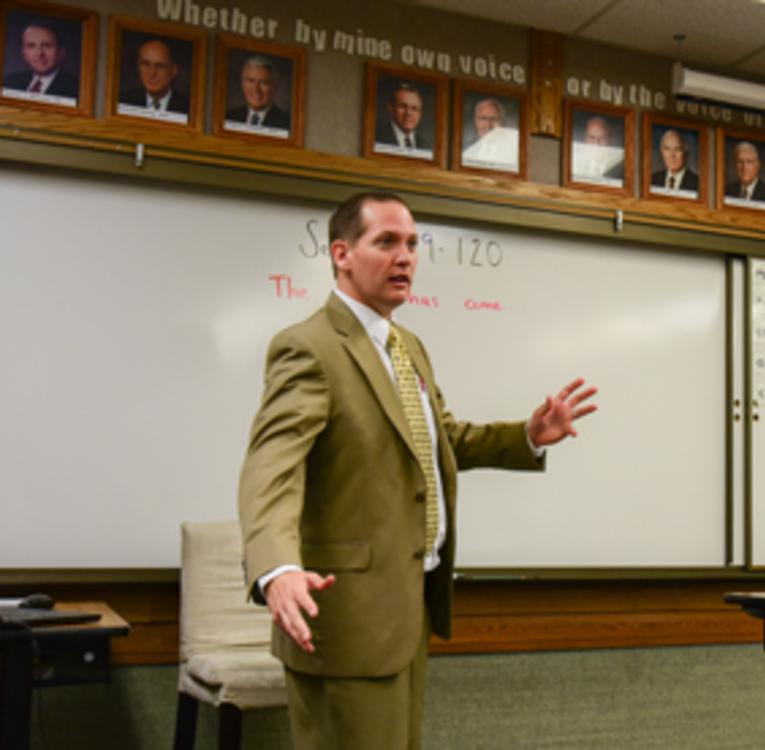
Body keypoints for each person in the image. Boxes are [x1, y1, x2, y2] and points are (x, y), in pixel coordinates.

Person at [239, 191, 597, 749]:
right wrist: (276, 567)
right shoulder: (308, 348)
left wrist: (526, 437)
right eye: (385, 242)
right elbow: (272, 466)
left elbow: (439, 440)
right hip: (347, 618)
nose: (405, 257)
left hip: (405, 611)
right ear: (342, 253)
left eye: (411, 244)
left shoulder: (407, 346)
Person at [2, 19, 79, 98]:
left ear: (61, 51)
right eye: (31, 46)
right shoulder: (8, 82)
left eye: (47, 45)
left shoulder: (76, 88)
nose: (39, 53)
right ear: (23, 52)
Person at [118, 38, 189, 115]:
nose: (152, 73)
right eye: (146, 64)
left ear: (173, 71)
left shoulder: (188, 108)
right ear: (138, 66)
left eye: (160, 66)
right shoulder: (122, 101)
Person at [225, 54, 289, 130]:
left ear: (274, 86)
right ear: (242, 83)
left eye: (263, 83)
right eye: (250, 81)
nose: (256, 90)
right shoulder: (228, 117)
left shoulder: (287, 123)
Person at [375, 83, 426, 152]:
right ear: (391, 108)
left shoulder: (425, 146)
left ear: (420, 114)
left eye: (414, 108)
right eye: (403, 106)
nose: (408, 113)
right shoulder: (376, 139)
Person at [571, 115, 623, 182]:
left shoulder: (619, 162)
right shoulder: (574, 158)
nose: (597, 143)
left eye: (602, 138)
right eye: (592, 138)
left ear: (610, 139)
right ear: (585, 138)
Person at [649, 129, 699, 193]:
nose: (672, 155)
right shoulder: (652, 179)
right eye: (667, 149)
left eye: (677, 149)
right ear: (662, 152)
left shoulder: (697, 183)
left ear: (685, 152)